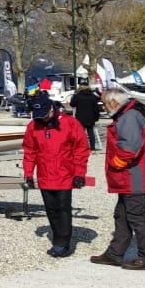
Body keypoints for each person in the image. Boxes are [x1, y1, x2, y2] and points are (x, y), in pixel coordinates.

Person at [90, 86, 145, 271]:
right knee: (122, 215)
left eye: (105, 103)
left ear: (114, 102)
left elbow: (129, 149)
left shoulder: (129, 116)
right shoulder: (131, 113)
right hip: (131, 176)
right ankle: (115, 254)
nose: (104, 108)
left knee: (138, 217)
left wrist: (114, 163)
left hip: (134, 177)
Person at [22, 92, 90, 257]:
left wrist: (79, 173)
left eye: (44, 115)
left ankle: (63, 242)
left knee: (63, 209)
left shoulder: (69, 123)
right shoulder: (34, 126)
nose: (42, 118)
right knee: (51, 209)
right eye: (39, 116)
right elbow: (30, 151)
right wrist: (29, 174)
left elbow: (81, 149)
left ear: (52, 109)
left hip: (64, 174)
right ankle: (58, 237)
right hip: (45, 174)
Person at [68, 85, 103, 151]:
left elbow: (72, 104)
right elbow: (96, 108)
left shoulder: (77, 96)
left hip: (80, 117)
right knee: (91, 133)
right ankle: (92, 147)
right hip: (90, 117)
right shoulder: (92, 96)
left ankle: (82, 147)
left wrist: (74, 96)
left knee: (81, 133)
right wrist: (96, 117)